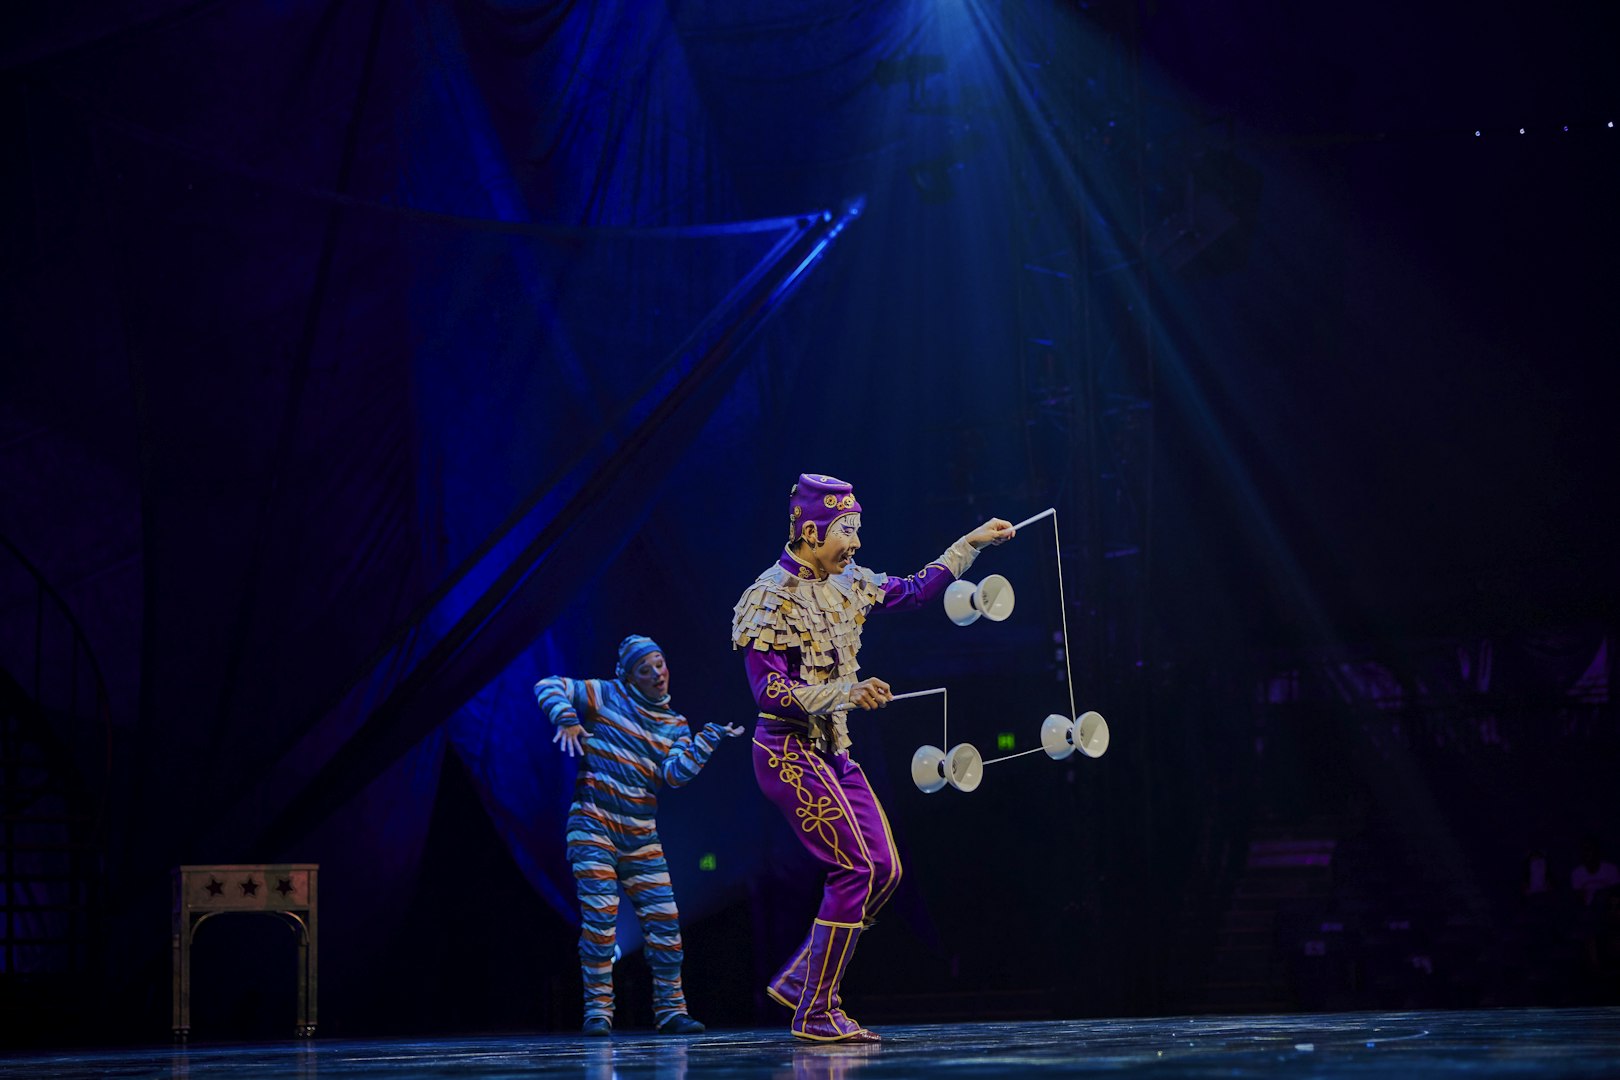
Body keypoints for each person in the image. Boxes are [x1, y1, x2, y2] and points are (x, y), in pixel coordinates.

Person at [732, 473, 1013, 1042]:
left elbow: (913, 589)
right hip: (786, 752)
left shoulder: (848, 581)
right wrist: (846, 693)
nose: (855, 544)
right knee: (855, 868)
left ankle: (801, 981)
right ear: (810, 531)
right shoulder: (767, 597)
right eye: (845, 532)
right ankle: (815, 1010)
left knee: (884, 870)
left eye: (856, 531)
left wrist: (972, 542)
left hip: (832, 749)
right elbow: (770, 694)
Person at [535, 634, 743, 1036]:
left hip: (641, 835)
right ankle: (598, 1011)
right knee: (600, 922)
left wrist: (705, 741)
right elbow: (547, 685)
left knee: (665, 923)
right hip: (593, 825)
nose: (656, 674)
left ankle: (670, 1010)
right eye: (644, 670)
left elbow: (673, 775)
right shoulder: (606, 695)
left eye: (659, 664)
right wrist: (567, 717)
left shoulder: (674, 724)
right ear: (630, 677)